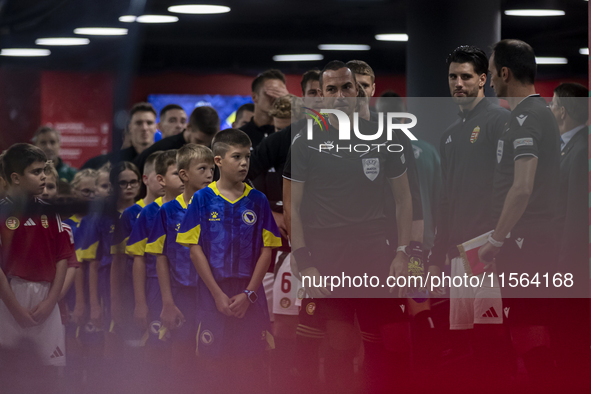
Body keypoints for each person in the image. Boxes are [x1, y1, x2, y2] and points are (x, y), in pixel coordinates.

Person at [283, 60, 413, 393]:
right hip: (326, 260)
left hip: (375, 258)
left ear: (359, 91)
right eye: (331, 89)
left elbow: (403, 201)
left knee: (385, 343)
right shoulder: (304, 141)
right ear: (321, 95)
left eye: (346, 87)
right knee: (338, 344)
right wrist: (304, 260)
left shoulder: (387, 135)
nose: (340, 95)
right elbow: (292, 209)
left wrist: (402, 252)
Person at [425, 45, 511, 388]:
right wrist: (436, 256)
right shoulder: (448, 135)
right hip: (459, 255)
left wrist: (500, 239)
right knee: (465, 343)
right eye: (452, 77)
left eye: (466, 77)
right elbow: (445, 200)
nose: (458, 83)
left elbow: (512, 186)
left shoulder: (499, 120)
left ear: (483, 80)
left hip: (490, 249)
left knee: (493, 341)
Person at [479, 39, 561, 391]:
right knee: (521, 330)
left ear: (505, 73)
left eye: (492, 71)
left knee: (527, 332)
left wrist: (496, 239)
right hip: (529, 241)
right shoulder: (529, 114)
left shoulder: (527, 117)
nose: (489, 80)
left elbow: (523, 187)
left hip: (528, 243)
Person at [177, 129, 282, 393]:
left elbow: (267, 251)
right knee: (212, 366)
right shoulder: (202, 199)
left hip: (251, 296)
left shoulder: (258, 200)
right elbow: (194, 248)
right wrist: (217, 294)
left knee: (250, 366)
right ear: (218, 161)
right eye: (237, 156)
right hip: (213, 295)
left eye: (247, 156)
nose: (245, 162)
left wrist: (249, 293)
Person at [144, 144, 214, 391]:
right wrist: (167, 302)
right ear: (184, 175)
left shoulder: (220, 207)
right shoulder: (168, 211)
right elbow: (160, 257)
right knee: (179, 358)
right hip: (181, 294)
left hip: (212, 295)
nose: (209, 174)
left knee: (210, 360)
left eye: (212, 169)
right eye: (202, 168)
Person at [0, 143, 74, 367]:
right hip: (8, 296)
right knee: (9, 372)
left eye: (44, 171)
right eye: (36, 172)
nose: (43, 177)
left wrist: (52, 300)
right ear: (16, 178)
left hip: (47, 297)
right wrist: (14, 307)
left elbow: (63, 257)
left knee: (51, 370)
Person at [548, 82, 590, 385]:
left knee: (569, 334)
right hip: (557, 258)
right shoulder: (565, 146)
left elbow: (575, 214)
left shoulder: (581, 150)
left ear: (562, 110)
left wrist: (563, 268)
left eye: (552, 103)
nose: (550, 109)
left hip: (569, 264)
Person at [109, 152, 166, 347]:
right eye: (160, 175)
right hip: (134, 292)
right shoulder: (131, 214)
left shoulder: (178, 210)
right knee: (135, 348)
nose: (164, 181)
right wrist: (116, 300)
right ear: (147, 179)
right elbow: (118, 262)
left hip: (165, 291)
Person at [133, 106, 220, 176]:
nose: (203, 147)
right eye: (199, 141)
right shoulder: (163, 148)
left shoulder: (216, 152)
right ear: (188, 127)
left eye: (208, 143)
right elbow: (133, 171)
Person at [81, 103, 158, 170]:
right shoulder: (107, 162)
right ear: (130, 127)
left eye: (149, 123)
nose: (144, 128)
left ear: (155, 127)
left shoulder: (163, 159)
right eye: (139, 123)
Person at [240, 69, 289, 148]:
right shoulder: (239, 136)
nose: (276, 97)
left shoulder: (292, 134)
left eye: (279, 93)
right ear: (254, 97)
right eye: (270, 92)